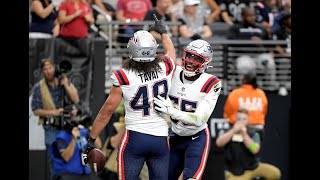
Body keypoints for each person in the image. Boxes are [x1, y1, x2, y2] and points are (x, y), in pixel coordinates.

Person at [84, 17, 177, 180]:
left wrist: (91, 139)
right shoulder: (165, 67)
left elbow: (106, 112)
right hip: (160, 140)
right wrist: (163, 33)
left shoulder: (123, 75)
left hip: (135, 138)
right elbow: (171, 52)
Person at [153, 39, 222, 180]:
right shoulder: (173, 72)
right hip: (175, 136)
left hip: (196, 138)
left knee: (191, 178)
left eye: (197, 58)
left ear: (206, 62)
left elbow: (199, 119)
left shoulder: (211, 82)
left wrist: (171, 111)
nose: (190, 61)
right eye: (189, 56)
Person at [31, 58, 80, 179]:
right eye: (45, 69)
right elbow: (35, 110)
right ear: (42, 72)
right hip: (51, 129)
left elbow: (76, 99)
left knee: (71, 159)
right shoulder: (39, 87)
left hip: (68, 128)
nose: (48, 71)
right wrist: (54, 112)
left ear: (55, 68)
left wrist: (66, 84)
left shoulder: (64, 81)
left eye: (50, 68)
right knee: (55, 161)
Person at [216, 107, 281, 180]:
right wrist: (233, 131)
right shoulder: (228, 130)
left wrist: (244, 134)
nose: (241, 122)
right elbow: (219, 143)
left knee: (275, 173)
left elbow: (255, 150)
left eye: (244, 119)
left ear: (248, 120)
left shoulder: (253, 132)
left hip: (253, 167)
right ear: (235, 119)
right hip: (234, 170)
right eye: (239, 119)